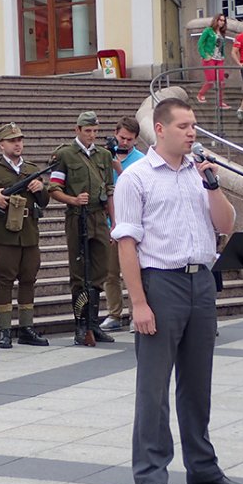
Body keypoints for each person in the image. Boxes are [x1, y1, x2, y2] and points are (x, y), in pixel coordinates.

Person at [112, 97, 243, 484]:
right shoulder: (135, 179)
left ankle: (203, 467)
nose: (192, 132)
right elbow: (126, 245)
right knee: (154, 388)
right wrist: (138, 303)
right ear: (161, 128)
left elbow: (226, 225)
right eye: (185, 126)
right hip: (160, 283)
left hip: (201, 282)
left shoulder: (199, 173)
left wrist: (213, 185)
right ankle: (151, 473)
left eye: (194, 126)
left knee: (197, 383)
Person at [0, 122, 50, 349]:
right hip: (5, 232)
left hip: (29, 231)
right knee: (5, 280)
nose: (18, 144)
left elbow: (45, 202)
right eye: (12, 141)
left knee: (29, 279)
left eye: (20, 140)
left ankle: (26, 328)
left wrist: (41, 189)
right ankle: (5, 330)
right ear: (1, 145)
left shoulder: (30, 168)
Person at [49, 111, 115, 345]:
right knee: (79, 273)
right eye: (88, 131)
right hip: (77, 216)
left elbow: (109, 190)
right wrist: (73, 200)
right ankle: (80, 326)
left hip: (99, 216)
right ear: (77, 130)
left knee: (99, 271)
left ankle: (93, 324)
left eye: (95, 131)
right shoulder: (64, 154)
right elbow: (54, 188)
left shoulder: (104, 155)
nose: (92, 136)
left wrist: (113, 221)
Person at [100, 117, 146, 332]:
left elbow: (142, 188)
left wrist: (119, 169)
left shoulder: (141, 160)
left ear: (136, 139)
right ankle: (114, 313)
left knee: (134, 271)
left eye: (129, 139)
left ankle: (135, 312)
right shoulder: (103, 157)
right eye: (121, 138)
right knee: (110, 272)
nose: (124, 142)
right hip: (109, 222)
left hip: (133, 224)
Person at [195, 13, 230, 108]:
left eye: (223, 21)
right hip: (209, 58)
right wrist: (204, 55)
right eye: (220, 20)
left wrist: (223, 56)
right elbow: (200, 44)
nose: (222, 22)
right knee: (211, 80)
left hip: (219, 59)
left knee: (221, 82)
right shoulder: (208, 31)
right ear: (216, 20)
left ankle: (220, 102)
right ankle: (200, 94)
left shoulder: (222, 33)